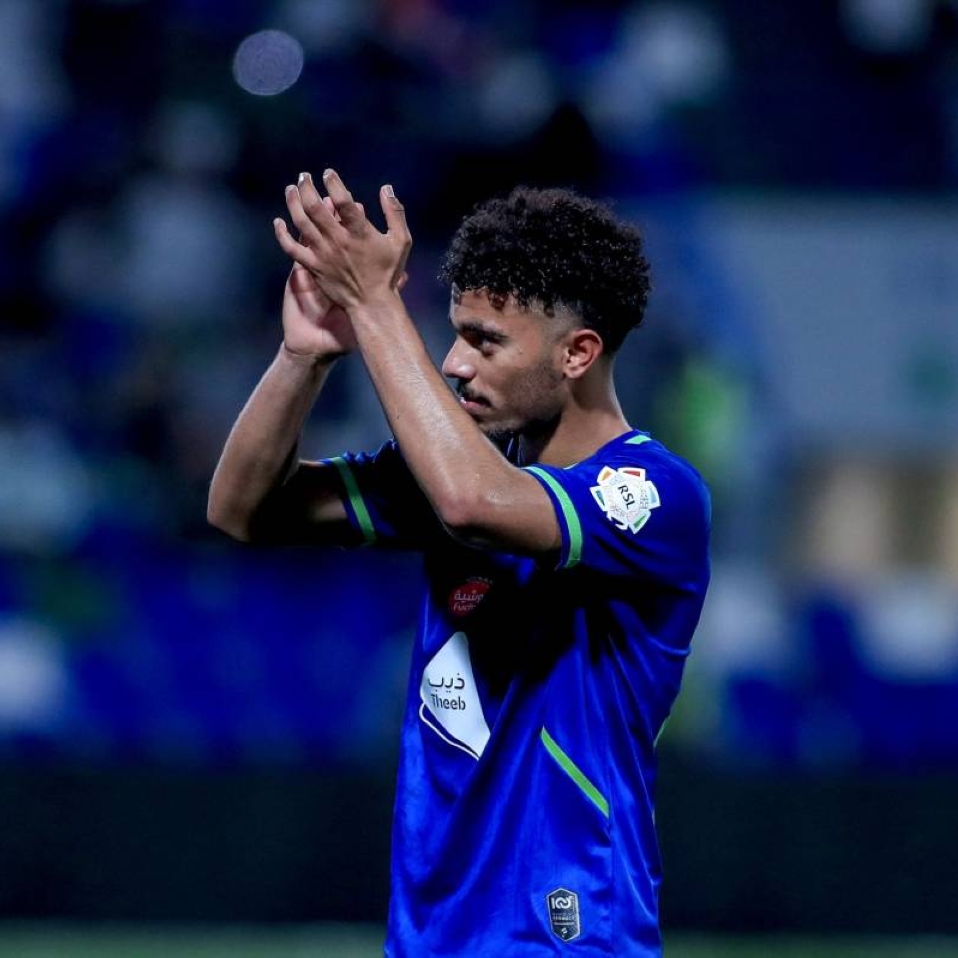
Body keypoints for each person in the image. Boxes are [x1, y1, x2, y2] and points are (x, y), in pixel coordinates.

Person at [208, 170, 711, 956]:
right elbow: (243, 509)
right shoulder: (456, 468)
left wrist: (377, 306)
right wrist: (302, 359)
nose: (454, 362)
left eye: (486, 340)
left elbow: (473, 503)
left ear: (577, 353)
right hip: (431, 927)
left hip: (566, 928)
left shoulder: (652, 494)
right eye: (456, 333)